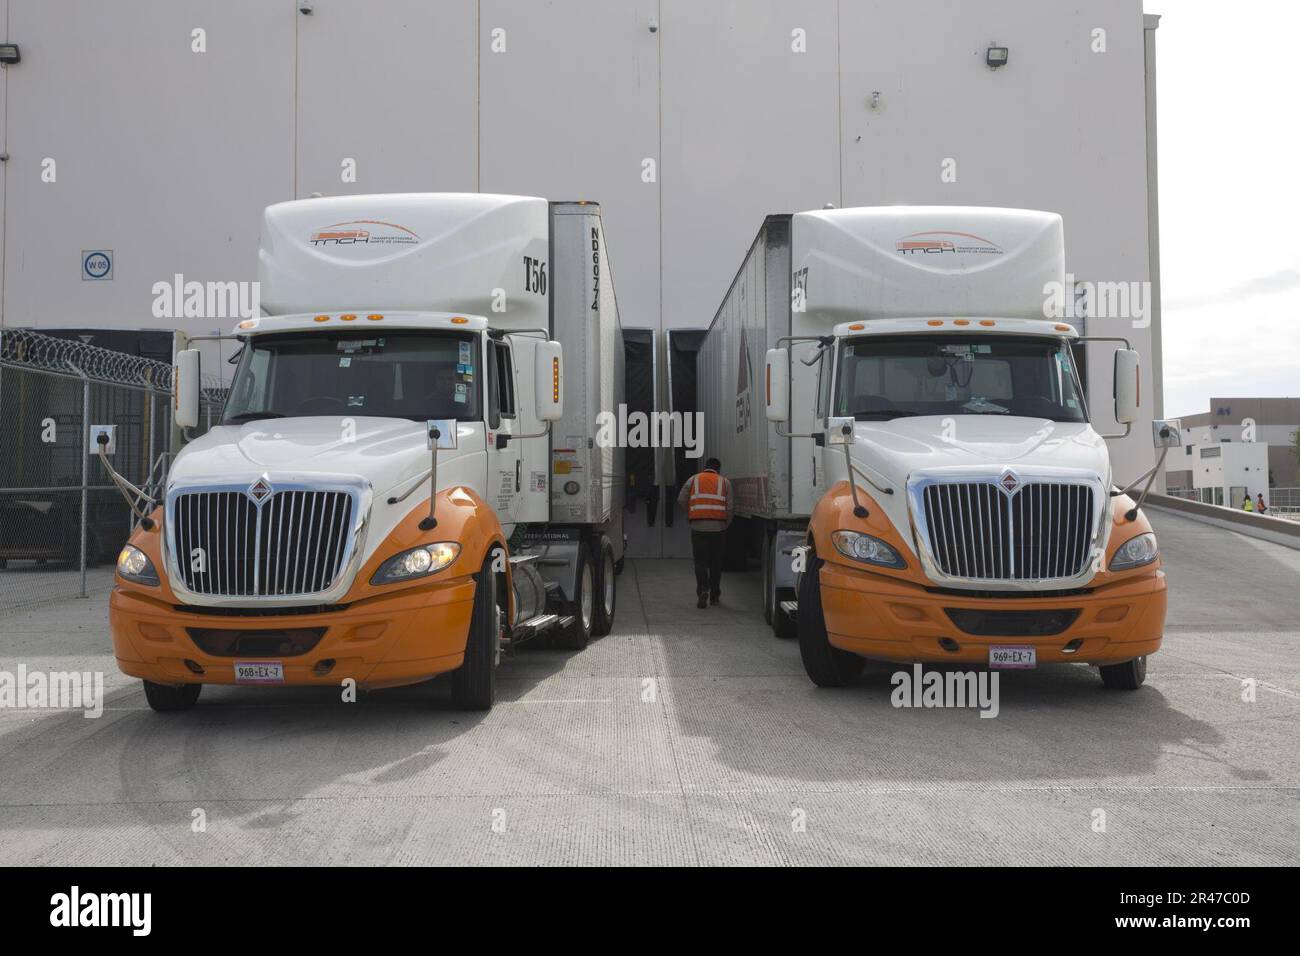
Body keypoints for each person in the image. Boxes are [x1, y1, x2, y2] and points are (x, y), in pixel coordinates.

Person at [677, 457, 734, 609]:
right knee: (715, 563)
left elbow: (681, 499)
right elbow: (730, 507)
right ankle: (715, 596)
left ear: (705, 467)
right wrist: (725, 523)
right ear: (718, 469)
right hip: (718, 528)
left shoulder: (693, 479)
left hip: (698, 527)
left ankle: (702, 590)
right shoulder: (724, 482)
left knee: (700, 561)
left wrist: (691, 514)